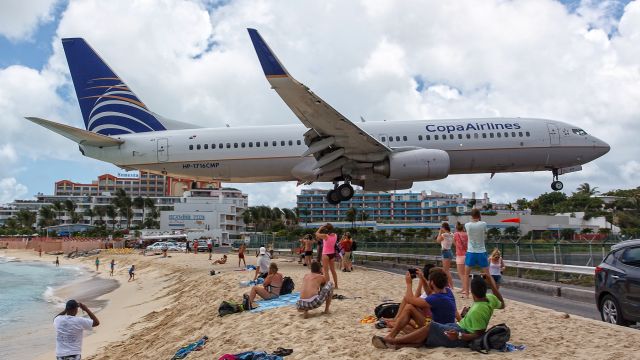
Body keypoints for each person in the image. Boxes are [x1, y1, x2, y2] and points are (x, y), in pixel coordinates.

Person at [372, 275, 505, 350]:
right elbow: (502, 304)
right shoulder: (491, 299)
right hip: (457, 326)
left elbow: (478, 334)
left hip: (461, 335)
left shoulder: (478, 310)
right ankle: (399, 343)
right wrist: (493, 285)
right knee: (426, 331)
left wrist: (458, 336)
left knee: (431, 326)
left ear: (472, 292)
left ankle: (393, 341)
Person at [385, 269, 458, 337]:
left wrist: (409, 283)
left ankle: (391, 336)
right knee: (406, 322)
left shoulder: (436, 298)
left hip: (438, 329)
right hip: (443, 326)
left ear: (432, 282)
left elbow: (409, 299)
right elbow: (429, 293)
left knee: (409, 308)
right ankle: (397, 326)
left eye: (428, 280)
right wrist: (422, 278)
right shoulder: (447, 291)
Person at [464, 209, 497, 289]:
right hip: (481, 251)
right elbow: (484, 231)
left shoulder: (467, 225)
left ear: (471, 216)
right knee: (488, 274)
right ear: (479, 215)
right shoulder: (483, 224)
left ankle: (467, 293)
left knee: (466, 274)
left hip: (471, 251)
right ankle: (495, 291)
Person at [316, 223, 339, 289]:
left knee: (326, 271)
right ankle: (336, 285)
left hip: (325, 254)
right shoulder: (335, 235)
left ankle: (328, 286)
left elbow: (316, 233)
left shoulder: (325, 236)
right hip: (332, 253)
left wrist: (320, 228)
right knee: (333, 270)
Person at [436, 222, 454, 289]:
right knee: (446, 270)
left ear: (443, 228)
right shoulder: (451, 234)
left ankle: (451, 285)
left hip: (445, 251)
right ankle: (449, 285)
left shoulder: (444, 234)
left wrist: (440, 232)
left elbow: (437, 240)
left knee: (446, 270)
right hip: (449, 251)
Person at [453, 222, 469, 296]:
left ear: (456, 228)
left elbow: (454, 243)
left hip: (460, 255)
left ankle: (465, 289)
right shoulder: (466, 234)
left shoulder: (456, 234)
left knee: (461, 274)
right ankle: (464, 288)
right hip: (467, 254)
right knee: (465, 273)